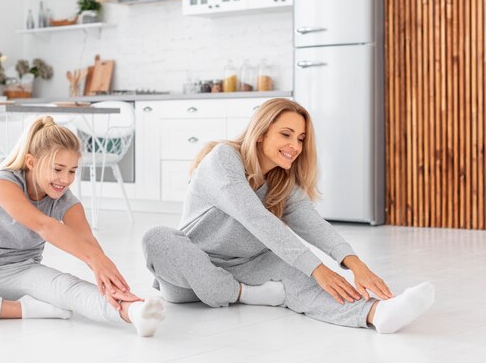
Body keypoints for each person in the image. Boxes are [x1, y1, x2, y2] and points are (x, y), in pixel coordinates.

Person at [142, 98, 433, 334]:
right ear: (261, 132)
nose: (295, 146)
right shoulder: (223, 159)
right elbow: (254, 217)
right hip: (192, 275)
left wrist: (354, 263)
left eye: (301, 138)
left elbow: (312, 223)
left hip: (248, 265)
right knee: (156, 237)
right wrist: (317, 267)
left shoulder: (283, 182)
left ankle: (375, 314)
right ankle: (243, 294)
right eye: (286, 134)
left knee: (307, 280)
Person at [0, 116, 164, 337]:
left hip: (26, 271)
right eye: (58, 169)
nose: (65, 179)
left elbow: (88, 242)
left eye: (72, 171)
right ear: (31, 162)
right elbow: (43, 225)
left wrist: (109, 277)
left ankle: (134, 313)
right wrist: (95, 259)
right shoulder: (3, 183)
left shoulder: (68, 202)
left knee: (69, 288)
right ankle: (26, 310)